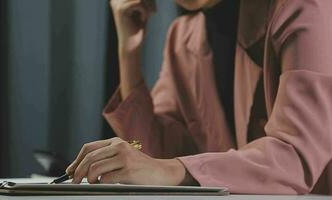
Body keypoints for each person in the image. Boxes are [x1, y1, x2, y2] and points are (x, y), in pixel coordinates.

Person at [66, 0, 332, 194]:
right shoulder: (183, 38)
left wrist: (168, 169)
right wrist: (129, 53)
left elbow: (296, 155)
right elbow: (152, 156)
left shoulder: (305, 8)